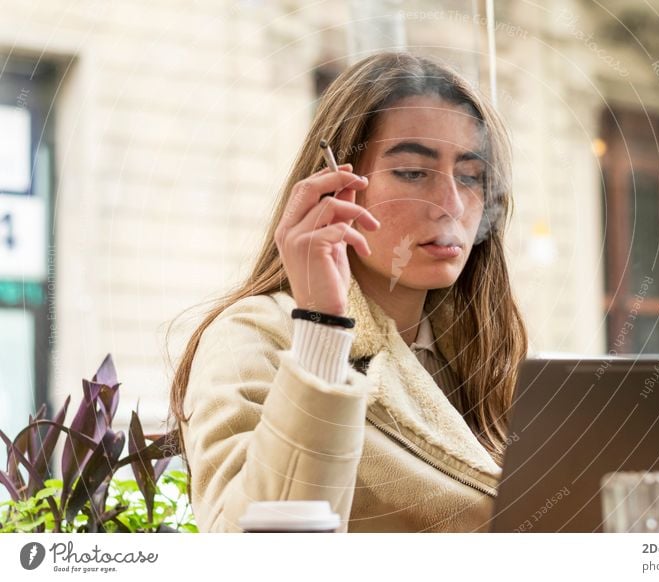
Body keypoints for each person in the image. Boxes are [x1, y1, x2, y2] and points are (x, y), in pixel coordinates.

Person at [169, 51, 528, 532]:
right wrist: (322, 331)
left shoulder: (481, 345)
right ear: (336, 187)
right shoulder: (252, 337)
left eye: (470, 176)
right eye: (413, 173)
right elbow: (256, 546)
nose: (451, 204)